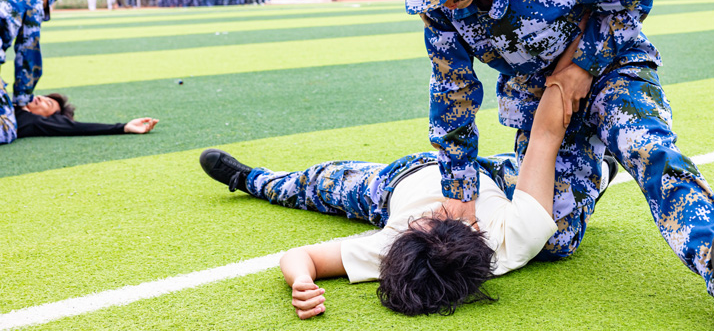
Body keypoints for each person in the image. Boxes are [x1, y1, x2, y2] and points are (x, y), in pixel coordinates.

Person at [388, 0, 714, 330]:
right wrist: (460, 192)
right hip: (541, 98)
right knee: (553, 239)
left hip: (612, 70)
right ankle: (599, 169)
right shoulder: (441, 9)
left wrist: (582, 65)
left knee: (645, 148)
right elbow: (452, 94)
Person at [199, 31, 616, 319]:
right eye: (444, 220)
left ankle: (249, 179)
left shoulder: (391, 249)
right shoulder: (517, 237)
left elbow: (299, 256)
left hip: (393, 182)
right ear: (478, 234)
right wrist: (569, 71)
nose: (436, 210)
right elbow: (544, 136)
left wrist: (302, 280)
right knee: (559, 217)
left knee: (318, 183)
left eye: (426, 223)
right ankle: (598, 173)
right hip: (487, 174)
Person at [0, 0, 61, 145]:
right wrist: (22, 100)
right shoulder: (32, 0)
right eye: (46, 4)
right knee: (7, 129)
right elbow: (28, 53)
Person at [13, 93, 158, 139]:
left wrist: (124, 127)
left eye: (48, 103)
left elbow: (76, 127)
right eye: (44, 97)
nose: (40, 98)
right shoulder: (11, 102)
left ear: (52, 119)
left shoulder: (35, 122)